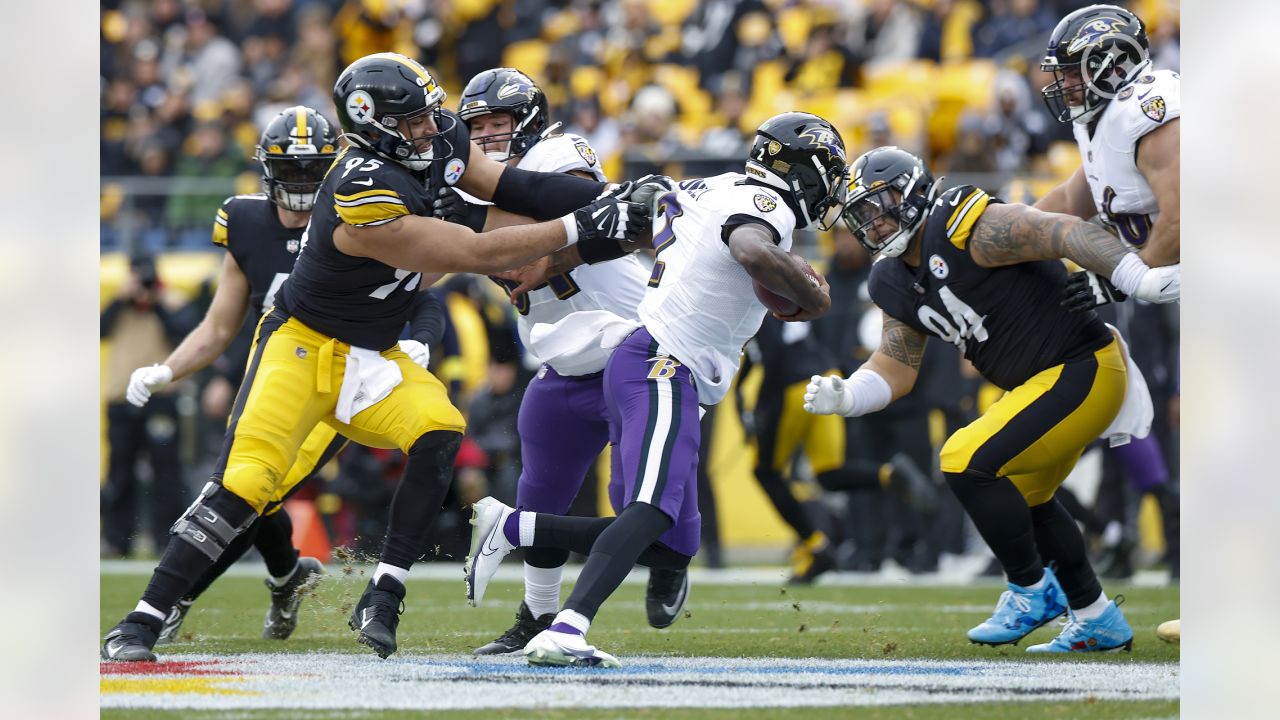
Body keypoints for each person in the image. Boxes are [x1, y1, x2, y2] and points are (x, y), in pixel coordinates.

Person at [102, 52, 652, 663]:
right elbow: (472, 250)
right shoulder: (362, 186)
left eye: (428, 115)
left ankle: (384, 592)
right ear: (375, 126)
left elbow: (511, 188)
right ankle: (142, 620)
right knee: (247, 484)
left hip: (374, 352)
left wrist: (609, 198)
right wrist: (580, 226)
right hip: (303, 347)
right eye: (412, 121)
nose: (431, 129)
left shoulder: (436, 137)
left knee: (440, 430)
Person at [465, 112, 847, 668]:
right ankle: (563, 623)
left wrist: (561, 258)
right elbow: (752, 251)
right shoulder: (770, 206)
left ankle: (517, 528)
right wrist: (813, 292)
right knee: (649, 509)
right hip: (663, 362)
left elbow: (631, 229)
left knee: (666, 538)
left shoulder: (712, 186)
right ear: (808, 171)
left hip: (654, 360)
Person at [804, 146, 1178, 653]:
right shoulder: (889, 278)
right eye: (860, 215)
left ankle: (1029, 589)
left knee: (962, 458)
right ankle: (1095, 617)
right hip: (1040, 382)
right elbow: (896, 366)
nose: (871, 222)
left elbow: (1063, 229)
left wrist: (1137, 277)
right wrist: (848, 395)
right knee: (1027, 498)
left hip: (1082, 364)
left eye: (879, 205)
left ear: (912, 191)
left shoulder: (965, 226)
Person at [124, 106, 447, 645]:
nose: (300, 185)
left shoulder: (357, 208)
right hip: (275, 365)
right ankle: (287, 574)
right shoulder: (246, 219)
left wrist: (423, 340)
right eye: (290, 172)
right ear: (267, 171)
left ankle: (175, 599)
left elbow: (422, 290)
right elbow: (219, 323)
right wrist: (168, 369)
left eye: (311, 172)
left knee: (251, 491)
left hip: (344, 370)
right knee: (245, 489)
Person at [442, 68, 687, 656]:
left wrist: (545, 263)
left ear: (525, 122)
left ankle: (670, 562)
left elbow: (616, 222)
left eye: (497, 124)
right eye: (475, 128)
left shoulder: (558, 153)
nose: (487, 138)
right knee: (540, 490)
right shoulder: (468, 191)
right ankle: (537, 613)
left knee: (648, 507)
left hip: (639, 350)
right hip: (561, 361)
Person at [1035, 4, 1181, 636]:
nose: (1060, 85)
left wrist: (1121, 276)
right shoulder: (1105, 121)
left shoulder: (1151, 110)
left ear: (1110, 63)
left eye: (1071, 72)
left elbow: (1183, 217)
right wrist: (985, 236)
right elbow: (1067, 204)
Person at [100, 254, 195, 558]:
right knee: (120, 471)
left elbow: (183, 332)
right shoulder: (118, 304)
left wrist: (154, 301)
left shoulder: (172, 301)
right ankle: (117, 540)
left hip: (161, 399)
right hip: (121, 397)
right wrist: (121, 299)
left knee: (167, 472)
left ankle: (166, 539)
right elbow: (100, 330)